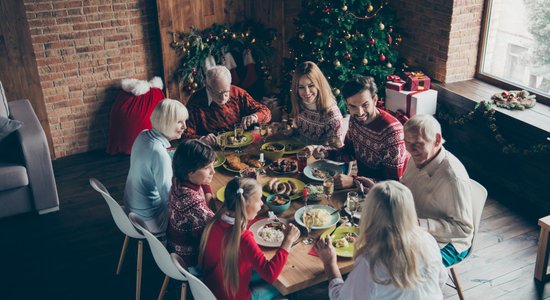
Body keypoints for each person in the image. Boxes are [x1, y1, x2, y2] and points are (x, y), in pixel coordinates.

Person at [315, 180, 447, 299]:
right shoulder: (428, 239)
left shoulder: (370, 262)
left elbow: (340, 298)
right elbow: (440, 280)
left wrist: (330, 263)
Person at [199, 177, 300, 300]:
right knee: (284, 285)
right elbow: (270, 274)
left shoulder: (215, 223)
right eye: (258, 200)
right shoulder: (243, 237)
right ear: (245, 205)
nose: (262, 204)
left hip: (212, 290)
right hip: (237, 297)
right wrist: (288, 240)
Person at [307, 76, 408, 189]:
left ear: (374, 100)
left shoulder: (392, 133)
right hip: (360, 188)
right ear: (346, 104)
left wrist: (354, 181)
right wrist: (326, 153)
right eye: (353, 106)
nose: (360, 113)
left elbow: (394, 185)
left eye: (365, 105)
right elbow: (350, 152)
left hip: (382, 196)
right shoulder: (354, 119)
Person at [401, 114, 474, 267]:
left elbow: (463, 229)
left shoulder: (452, 178)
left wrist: (417, 224)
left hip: (449, 243)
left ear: (437, 140)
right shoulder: (418, 157)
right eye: (407, 142)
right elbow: (405, 187)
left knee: (405, 268)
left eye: (418, 143)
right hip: (416, 229)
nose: (411, 149)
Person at [123, 99, 188, 234]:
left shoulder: (143, 135)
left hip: (131, 208)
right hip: (148, 220)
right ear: (166, 123)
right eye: (179, 122)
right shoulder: (158, 153)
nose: (184, 126)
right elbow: (168, 197)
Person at [181, 65, 272, 146]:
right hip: (213, 149)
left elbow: (266, 113)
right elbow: (184, 135)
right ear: (208, 88)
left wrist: (255, 117)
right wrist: (201, 140)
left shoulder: (237, 92)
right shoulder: (195, 101)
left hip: (241, 144)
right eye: (218, 93)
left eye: (226, 92)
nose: (223, 97)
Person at [167, 139, 216, 267]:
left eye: (213, 165)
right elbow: (219, 228)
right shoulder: (193, 203)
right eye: (207, 168)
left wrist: (208, 191)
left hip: (175, 244)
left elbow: (205, 191)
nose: (213, 172)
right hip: (191, 258)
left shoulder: (178, 178)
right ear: (190, 172)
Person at [289, 61, 345, 146]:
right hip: (298, 153)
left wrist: (314, 150)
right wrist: (290, 131)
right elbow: (300, 133)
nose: (307, 92)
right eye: (301, 87)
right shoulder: (300, 103)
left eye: (311, 86)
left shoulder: (332, 115)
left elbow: (337, 150)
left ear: (319, 85)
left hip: (319, 159)